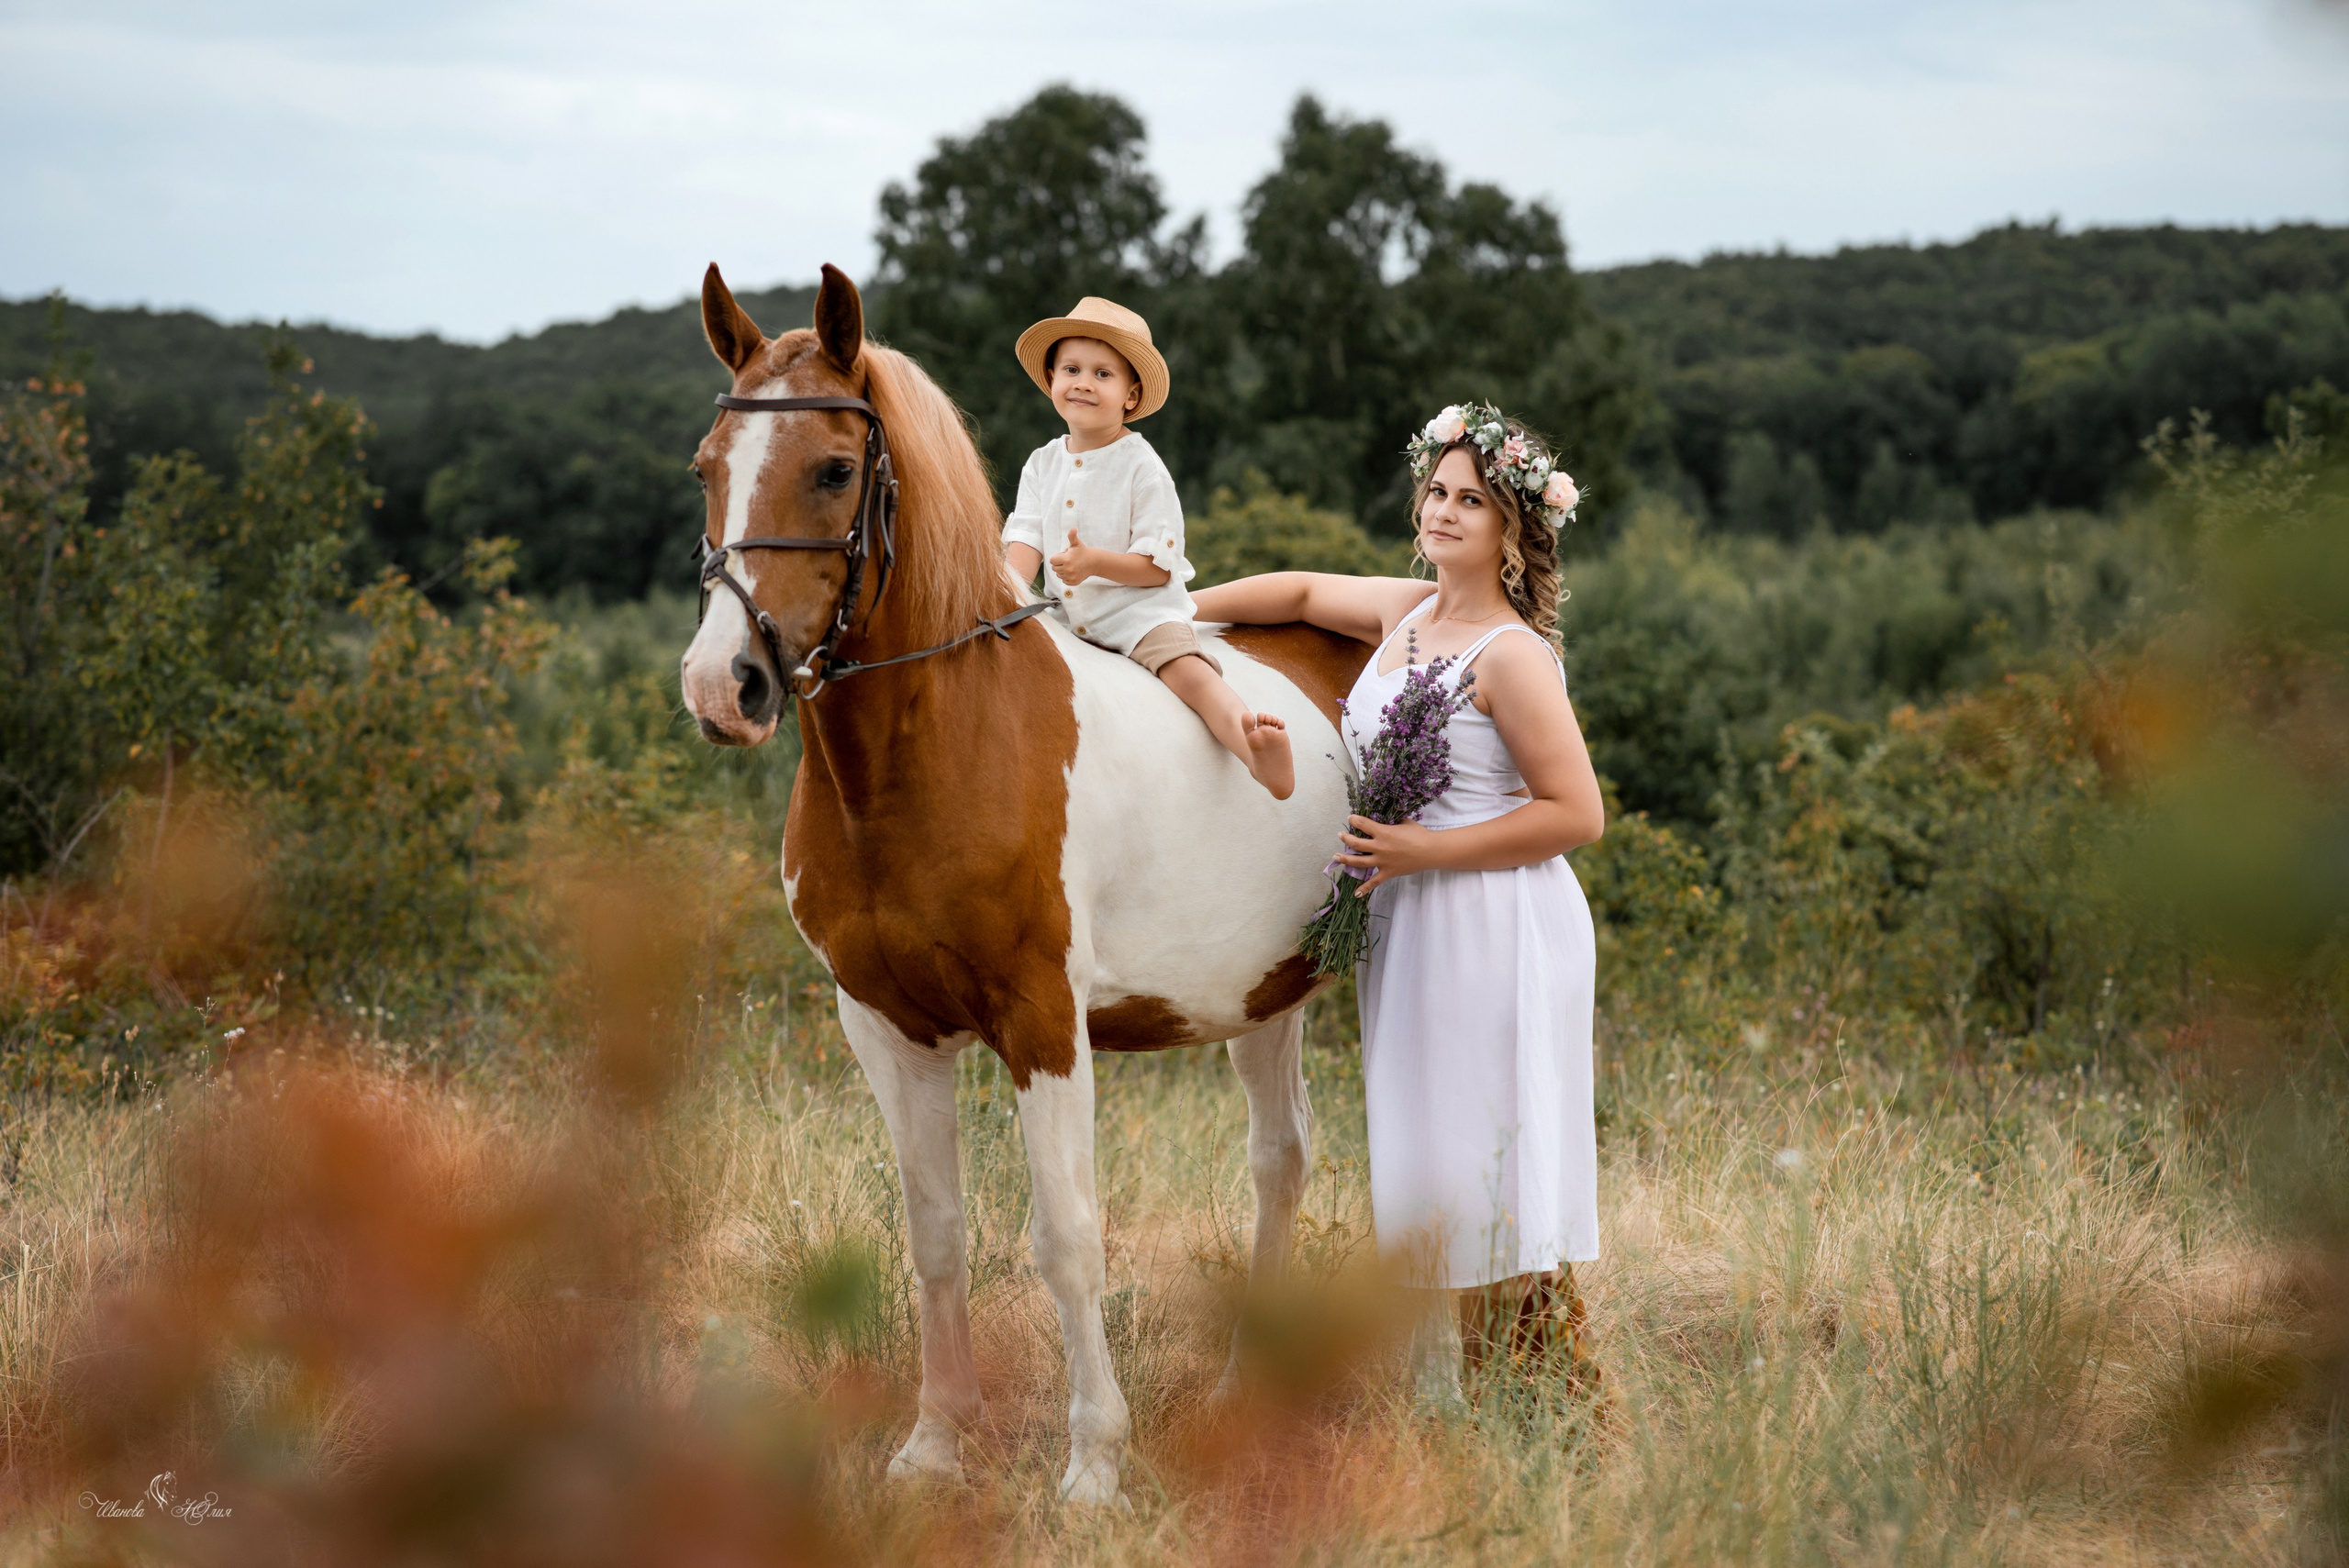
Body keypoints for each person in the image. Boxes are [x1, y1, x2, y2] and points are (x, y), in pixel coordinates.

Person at [1189, 402, 1607, 1399]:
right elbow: (1291, 590)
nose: (1447, 511)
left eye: (1472, 499)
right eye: (1436, 492)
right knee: (1421, 1146)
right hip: (1411, 918)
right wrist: (1166, 616)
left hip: (1496, 917)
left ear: (1511, 528)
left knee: (1482, 1149)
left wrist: (1425, 847)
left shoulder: (1509, 653)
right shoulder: (1406, 611)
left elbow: (1577, 811)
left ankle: (1505, 1370)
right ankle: (1446, 1381)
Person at [1000, 297, 1295, 798]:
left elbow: (1157, 569)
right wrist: (1003, 589)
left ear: (1131, 395)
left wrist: (1094, 562)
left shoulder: (1142, 467)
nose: (1084, 383)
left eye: (1103, 374)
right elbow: (1024, 535)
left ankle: (1253, 746)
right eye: (1071, 369)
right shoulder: (1041, 462)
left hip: (1138, 615)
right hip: (1066, 620)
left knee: (1188, 672)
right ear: (1051, 378)